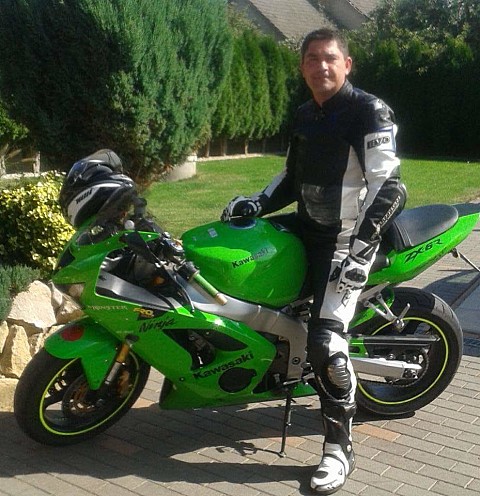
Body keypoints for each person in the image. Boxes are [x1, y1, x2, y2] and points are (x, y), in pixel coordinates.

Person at [221, 28, 405, 494]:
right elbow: (291, 175)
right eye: (311, 59)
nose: (320, 66)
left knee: (326, 343)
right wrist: (256, 203)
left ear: (347, 64)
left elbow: (389, 186)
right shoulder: (305, 113)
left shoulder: (369, 110)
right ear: (302, 66)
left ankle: (339, 448)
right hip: (306, 228)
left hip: (346, 239)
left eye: (329, 58)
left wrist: (360, 249)